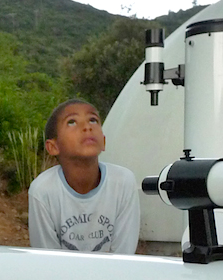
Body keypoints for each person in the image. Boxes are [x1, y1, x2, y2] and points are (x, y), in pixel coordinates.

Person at [28, 99, 140, 253]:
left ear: (104, 141)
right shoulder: (42, 191)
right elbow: (47, 259)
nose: (87, 127)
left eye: (93, 120)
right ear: (53, 147)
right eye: (72, 122)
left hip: (113, 275)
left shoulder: (123, 182)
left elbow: (123, 256)